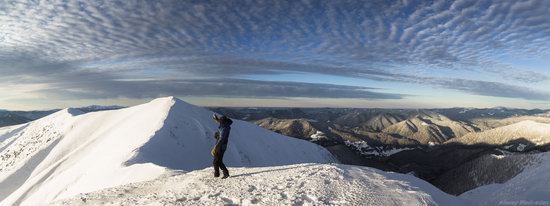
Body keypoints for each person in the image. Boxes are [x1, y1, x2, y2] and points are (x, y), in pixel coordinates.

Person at [212, 114, 232, 178]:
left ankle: (224, 173)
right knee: (216, 161)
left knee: (217, 161)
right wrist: (216, 119)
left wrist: (215, 148)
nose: (219, 122)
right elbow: (220, 136)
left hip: (221, 146)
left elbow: (222, 138)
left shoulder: (224, 128)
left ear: (223, 122)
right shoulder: (224, 125)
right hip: (221, 145)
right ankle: (217, 174)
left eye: (220, 121)